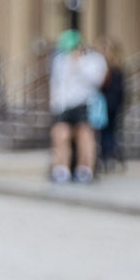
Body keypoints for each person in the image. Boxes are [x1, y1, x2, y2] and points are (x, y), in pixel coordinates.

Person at [47, 29, 106, 183]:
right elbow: (57, 84)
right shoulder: (60, 60)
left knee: (85, 136)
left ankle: (85, 169)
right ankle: (61, 169)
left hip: (85, 103)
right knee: (61, 134)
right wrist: (55, 104)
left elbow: (96, 81)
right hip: (65, 105)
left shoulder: (94, 60)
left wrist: (78, 63)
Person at [97, 39, 127, 172]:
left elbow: (120, 90)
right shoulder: (104, 67)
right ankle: (108, 156)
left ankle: (109, 155)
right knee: (105, 132)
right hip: (103, 105)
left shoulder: (114, 69)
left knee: (109, 132)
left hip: (110, 105)